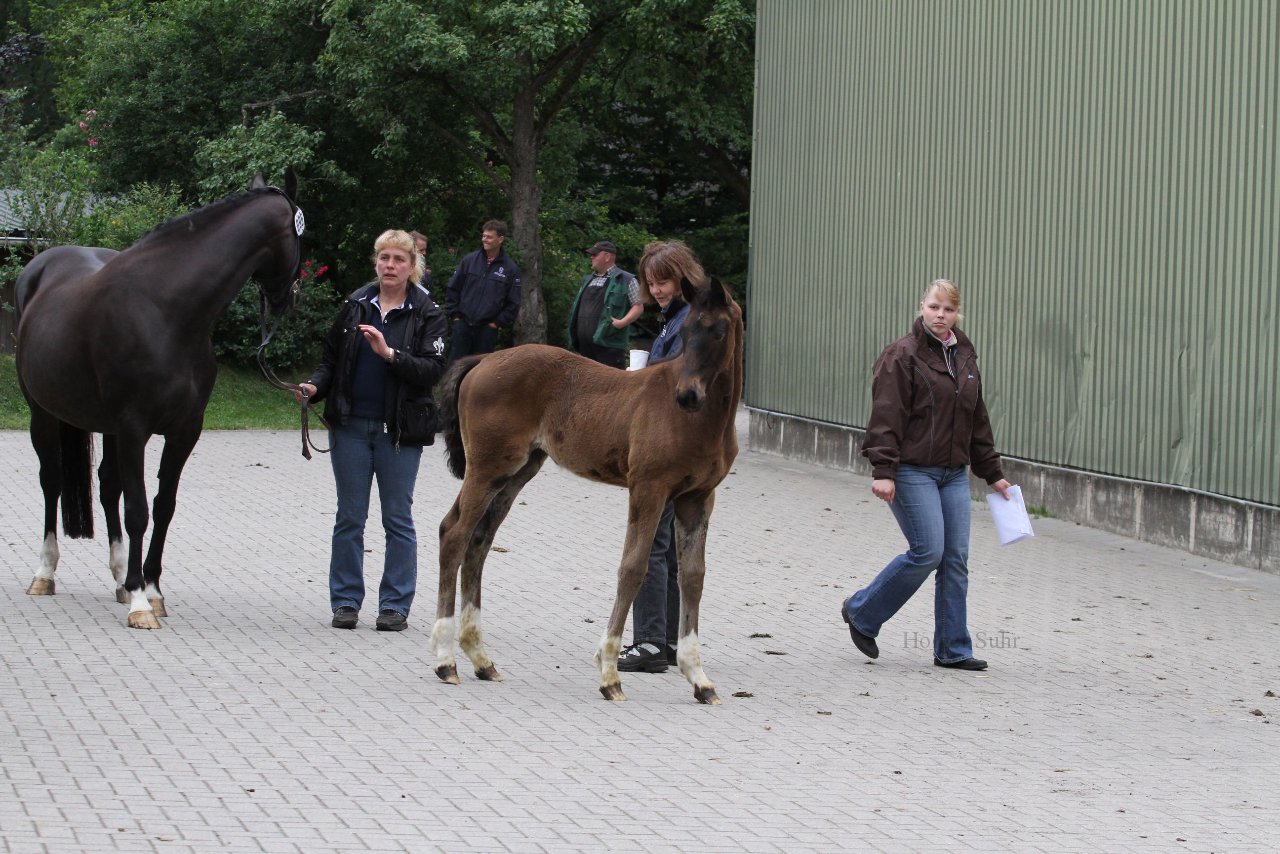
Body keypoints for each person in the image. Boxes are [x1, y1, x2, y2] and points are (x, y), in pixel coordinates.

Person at [840, 278, 1011, 670]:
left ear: (957, 313)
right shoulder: (901, 355)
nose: (940, 315)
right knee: (928, 551)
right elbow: (886, 416)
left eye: (948, 309)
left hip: (953, 474)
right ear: (921, 307)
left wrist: (992, 473)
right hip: (911, 471)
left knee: (955, 558)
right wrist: (884, 470)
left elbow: (976, 419)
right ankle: (862, 610)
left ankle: (953, 649)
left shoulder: (964, 355)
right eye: (934, 307)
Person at [297, 229, 448, 632]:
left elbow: (433, 370)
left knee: (397, 520)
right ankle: (345, 601)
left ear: (412, 265)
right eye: (384, 259)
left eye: (399, 259)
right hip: (349, 426)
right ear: (376, 262)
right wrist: (314, 387)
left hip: (398, 432)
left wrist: (389, 354)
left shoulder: (427, 312)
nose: (390, 266)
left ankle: (394, 606)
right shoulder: (354, 305)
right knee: (349, 518)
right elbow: (330, 360)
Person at [617, 240, 705, 673]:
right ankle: (665, 640)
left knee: (650, 540)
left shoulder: (688, 322)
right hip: (674, 447)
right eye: (652, 283)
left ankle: (650, 641)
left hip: (668, 448)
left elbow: (676, 383)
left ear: (683, 277)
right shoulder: (676, 320)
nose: (658, 290)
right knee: (665, 545)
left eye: (664, 280)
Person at [443, 219, 522, 362]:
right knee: (454, 369)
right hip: (463, 325)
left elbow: (513, 302)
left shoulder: (511, 269)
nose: (484, 239)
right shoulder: (469, 260)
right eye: (484, 236)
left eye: (489, 237)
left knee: (479, 373)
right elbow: (453, 288)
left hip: (487, 330)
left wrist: (496, 323)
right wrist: (455, 316)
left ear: (500, 239)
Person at [567, 240, 643, 368]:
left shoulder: (626, 279)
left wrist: (622, 322)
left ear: (607, 257)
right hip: (585, 348)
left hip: (610, 347)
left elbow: (639, 306)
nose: (591, 257)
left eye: (595, 254)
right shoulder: (587, 280)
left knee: (611, 387)